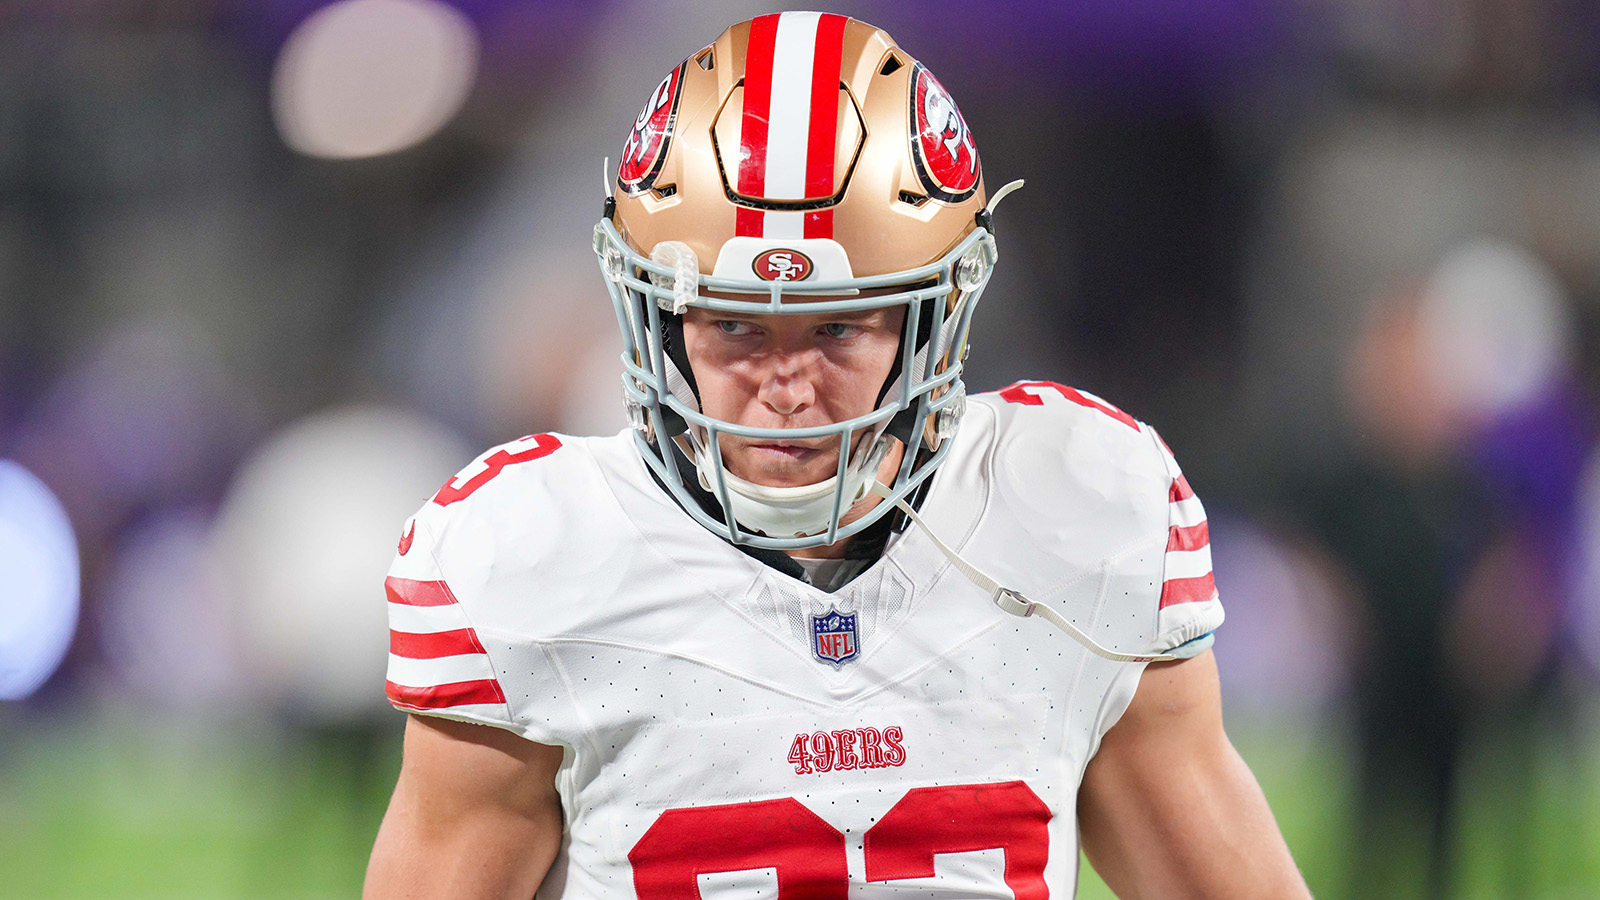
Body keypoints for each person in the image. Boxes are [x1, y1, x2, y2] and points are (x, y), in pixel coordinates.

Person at [365, 12, 1312, 899]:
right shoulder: (537, 561)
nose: (786, 385)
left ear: (932, 321)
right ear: (656, 319)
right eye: (734, 324)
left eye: (838, 329)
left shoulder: (1075, 515)